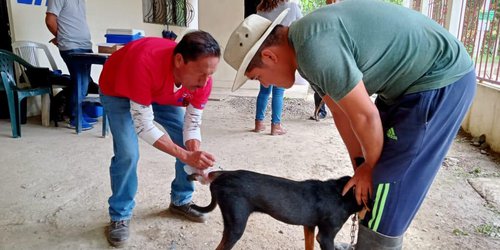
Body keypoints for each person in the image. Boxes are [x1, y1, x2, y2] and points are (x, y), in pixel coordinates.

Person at [223, 1, 476, 249]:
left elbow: (366, 117)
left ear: (269, 55)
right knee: (369, 180)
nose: (265, 85)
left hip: (439, 80)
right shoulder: (303, 47)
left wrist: (371, 168)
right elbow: (342, 114)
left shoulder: (313, 47)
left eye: (258, 77)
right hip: (405, 86)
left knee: (385, 185)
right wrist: (360, 166)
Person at [98, 31, 220, 247]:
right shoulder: (144, 63)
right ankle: (119, 215)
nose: (205, 82)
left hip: (159, 91)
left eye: (210, 74)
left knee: (184, 143)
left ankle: (181, 200)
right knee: (127, 153)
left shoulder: (203, 80)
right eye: (201, 73)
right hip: (118, 88)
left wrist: (193, 153)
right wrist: (186, 156)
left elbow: (191, 124)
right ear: (179, 60)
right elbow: (144, 126)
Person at [252, 0, 302, 135]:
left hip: (265, 54)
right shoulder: (291, 6)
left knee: (264, 90)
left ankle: (259, 123)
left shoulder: (261, 7)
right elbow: (301, 26)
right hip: (282, 54)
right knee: (278, 92)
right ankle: (276, 126)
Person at [45, 0, 97, 130]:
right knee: (81, 82)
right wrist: (62, 37)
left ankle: (76, 113)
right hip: (71, 46)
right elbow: (50, 21)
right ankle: (74, 117)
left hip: (85, 45)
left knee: (84, 82)